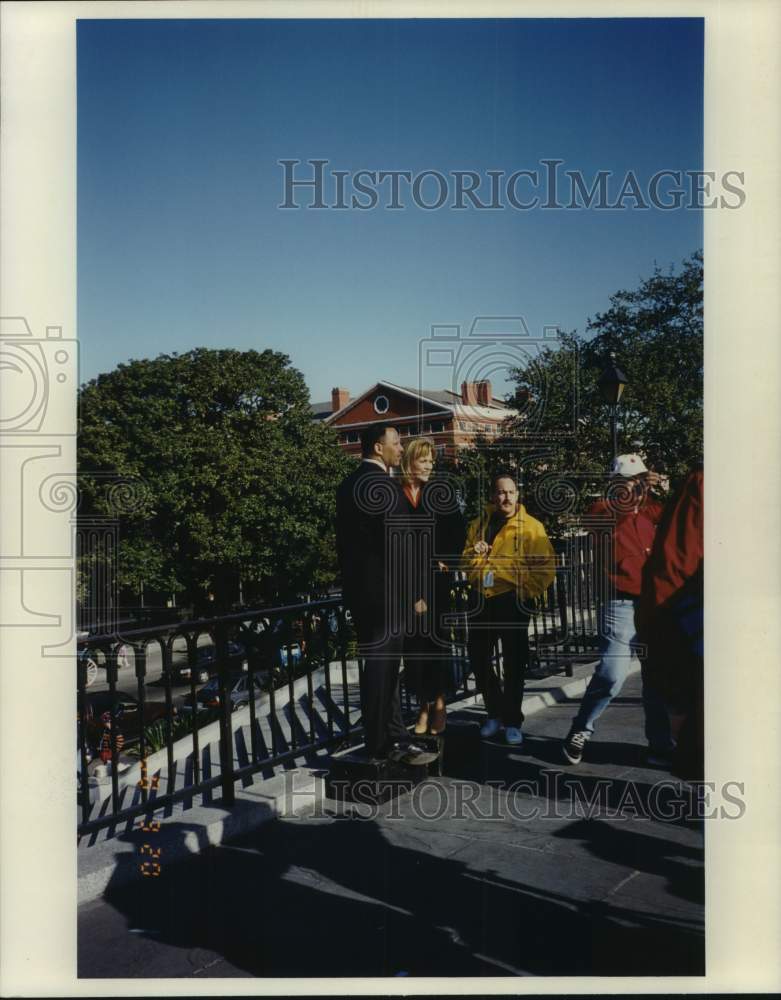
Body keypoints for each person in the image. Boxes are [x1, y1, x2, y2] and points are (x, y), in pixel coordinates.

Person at [561, 454, 674, 766]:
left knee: (656, 678)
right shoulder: (601, 509)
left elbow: (674, 523)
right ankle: (581, 728)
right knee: (612, 674)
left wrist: (660, 489)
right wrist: (627, 496)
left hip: (652, 603)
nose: (635, 486)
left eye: (638, 479)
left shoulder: (651, 509)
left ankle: (660, 744)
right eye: (627, 481)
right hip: (619, 602)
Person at [335, 424, 434, 765]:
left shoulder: (347, 485)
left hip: (362, 595)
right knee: (383, 670)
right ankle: (381, 743)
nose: (400, 447)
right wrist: (416, 595)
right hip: (389, 596)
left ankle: (395, 735)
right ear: (378, 448)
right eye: (396, 442)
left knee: (382, 668)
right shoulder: (385, 487)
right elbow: (400, 548)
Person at [463, 472, 555, 745]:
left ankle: (512, 720)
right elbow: (466, 561)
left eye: (510, 492)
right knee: (479, 658)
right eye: (500, 492)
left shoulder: (531, 527)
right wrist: (474, 557)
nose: (505, 497)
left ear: (518, 495)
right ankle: (494, 713)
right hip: (481, 599)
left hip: (512, 601)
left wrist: (524, 591)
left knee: (514, 663)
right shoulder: (479, 524)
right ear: (493, 495)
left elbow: (546, 568)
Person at [636, 465, 704, 781]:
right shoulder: (701, 485)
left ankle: (669, 745)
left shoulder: (661, 505)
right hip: (667, 607)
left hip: (669, 605)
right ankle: (663, 744)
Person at [396, 437, 466, 736]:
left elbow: (457, 530)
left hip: (434, 582)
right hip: (405, 582)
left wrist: (445, 561)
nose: (428, 466)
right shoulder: (396, 494)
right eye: (423, 460)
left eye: (431, 462)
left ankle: (438, 706)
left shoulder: (440, 492)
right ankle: (423, 706)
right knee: (414, 650)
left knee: (434, 645)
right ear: (409, 462)